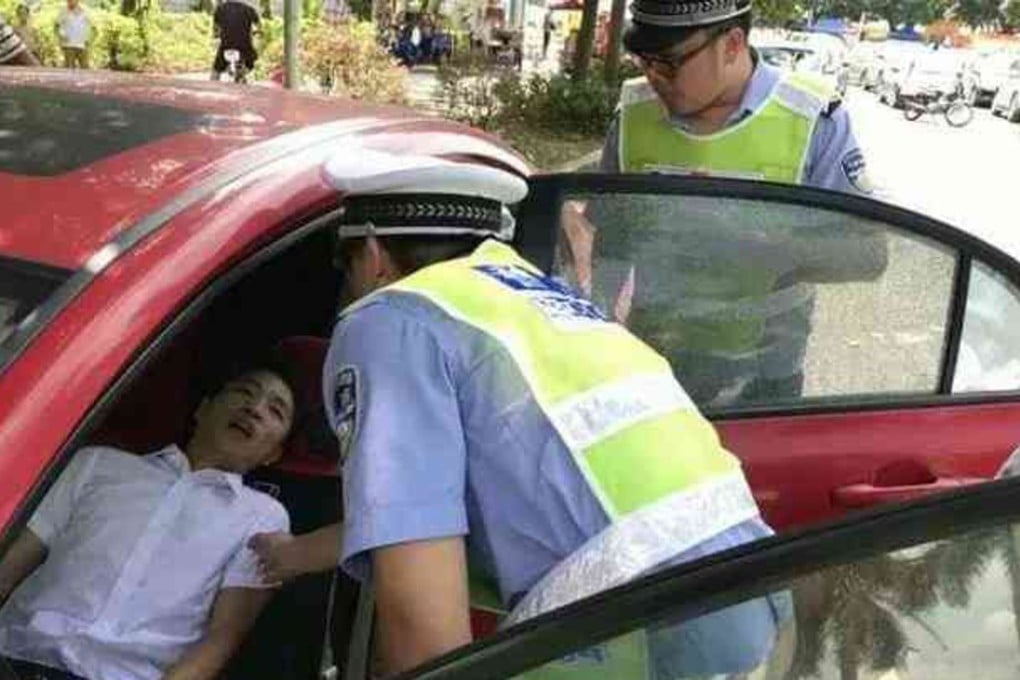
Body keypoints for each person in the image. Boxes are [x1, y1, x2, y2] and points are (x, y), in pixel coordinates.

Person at [251, 150, 786, 678]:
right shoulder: (540, 300)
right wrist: (294, 555)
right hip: (755, 599)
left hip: (635, 630)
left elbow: (423, 627)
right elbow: (416, 509)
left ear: (371, 254)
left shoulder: (391, 321)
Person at [564, 0, 886, 407]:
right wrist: (601, 329)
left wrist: (758, 244)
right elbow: (610, 237)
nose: (653, 77)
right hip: (654, 364)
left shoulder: (814, 120)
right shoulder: (632, 113)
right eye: (644, 61)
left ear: (732, 43)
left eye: (669, 63)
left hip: (763, 379)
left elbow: (869, 255)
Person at [0, 355, 300, 680]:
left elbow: (220, 641)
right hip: (16, 655)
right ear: (203, 409)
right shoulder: (96, 463)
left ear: (273, 454)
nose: (254, 409)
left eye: (275, 411)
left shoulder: (262, 517)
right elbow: (10, 566)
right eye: (245, 392)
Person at [211, 0, 260, 82]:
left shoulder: (220, 8)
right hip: (244, 44)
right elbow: (258, 26)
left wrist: (216, 34)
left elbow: (216, 27)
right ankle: (247, 76)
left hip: (226, 44)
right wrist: (256, 32)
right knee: (251, 64)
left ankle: (212, 84)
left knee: (216, 69)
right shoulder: (249, 9)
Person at [55, 0, 89, 69]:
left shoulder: (84, 11)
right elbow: (56, 26)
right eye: (68, 1)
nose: (69, 2)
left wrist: (89, 39)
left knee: (85, 68)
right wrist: (61, 36)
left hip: (82, 45)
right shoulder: (63, 12)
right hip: (68, 45)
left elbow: (91, 26)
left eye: (71, 1)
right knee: (69, 68)